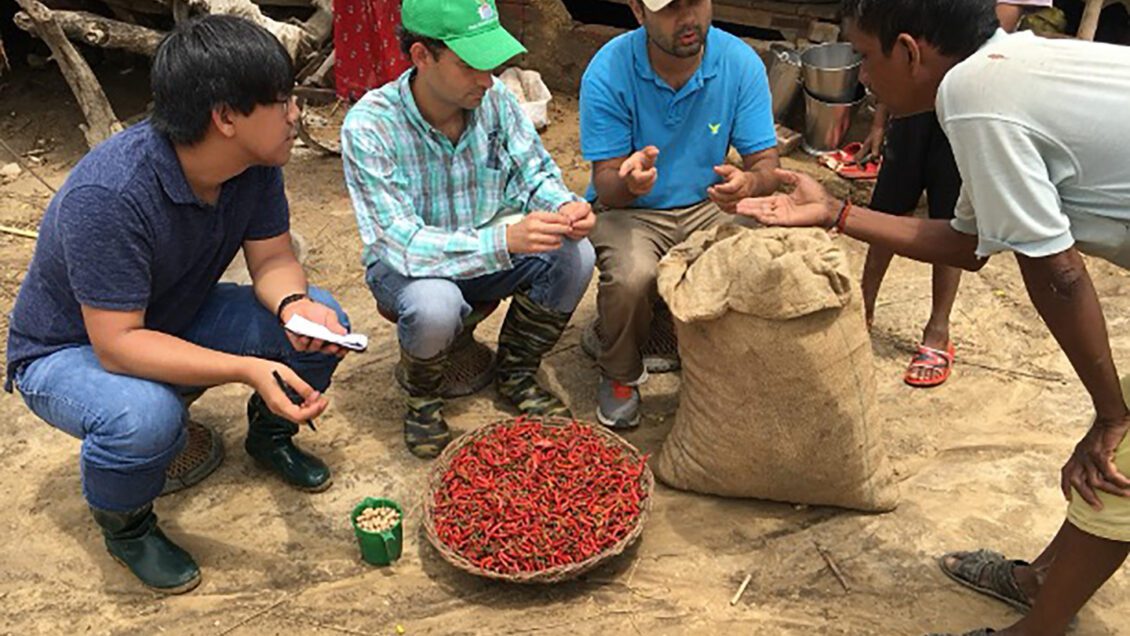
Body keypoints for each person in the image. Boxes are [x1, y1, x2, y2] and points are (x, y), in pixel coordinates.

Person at [737, 1, 1130, 634]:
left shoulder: (975, 97)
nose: (862, 78)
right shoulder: (1001, 66)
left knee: (1119, 461)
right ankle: (1042, 582)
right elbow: (967, 244)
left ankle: (1041, 626)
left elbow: (1056, 272)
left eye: (865, 57)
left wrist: (1111, 415)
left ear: (911, 52)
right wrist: (834, 212)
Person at [4, 15, 352, 593]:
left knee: (326, 320)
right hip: (70, 348)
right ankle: (128, 527)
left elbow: (271, 261)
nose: (297, 114)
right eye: (283, 99)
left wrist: (293, 304)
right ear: (226, 118)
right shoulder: (110, 194)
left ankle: (270, 439)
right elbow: (117, 346)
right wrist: (246, 367)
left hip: (172, 312)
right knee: (143, 419)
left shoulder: (254, 163)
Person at [341, 0, 596, 459]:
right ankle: (422, 402)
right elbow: (403, 243)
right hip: (407, 269)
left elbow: (533, 173)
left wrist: (565, 207)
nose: (487, 77)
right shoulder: (369, 125)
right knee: (433, 304)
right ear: (421, 56)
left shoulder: (495, 98)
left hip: (485, 246)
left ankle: (516, 372)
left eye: (491, 62)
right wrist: (502, 240)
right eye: (469, 65)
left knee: (575, 255)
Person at [580, 0, 780, 428]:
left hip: (708, 204)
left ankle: (725, 362)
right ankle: (619, 373)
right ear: (637, 11)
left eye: (696, 2)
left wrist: (748, 184)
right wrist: (629, 182)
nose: (688, 18)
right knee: (632, 276)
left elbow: (767, 166)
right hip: (632, 211)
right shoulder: (609, 70)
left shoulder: (739, 63)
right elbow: (607, 186)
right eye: (670, 7)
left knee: (762, 251)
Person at [855, 0, 1052, 388]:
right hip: (913, 99)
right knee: (888, 205)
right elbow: (892, 39)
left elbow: (983, 32)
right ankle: (863, 306)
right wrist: (882, 117)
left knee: (952, 219)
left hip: (971, 100)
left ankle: (937, 329)